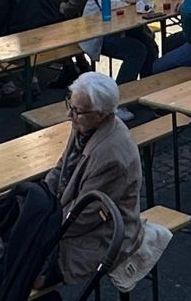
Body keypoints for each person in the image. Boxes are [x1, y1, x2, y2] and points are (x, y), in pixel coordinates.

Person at [44, 72, 144, 290]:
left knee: (32, 271)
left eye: (77, 111)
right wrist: (43, 197)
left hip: (106, 233)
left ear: (101, 114)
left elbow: (85, 215)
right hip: (74, 216)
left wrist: (44, 227)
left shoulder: (112, 156)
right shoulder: (84, 124)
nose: (69, 115)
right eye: (69, 105)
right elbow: (61, 169)